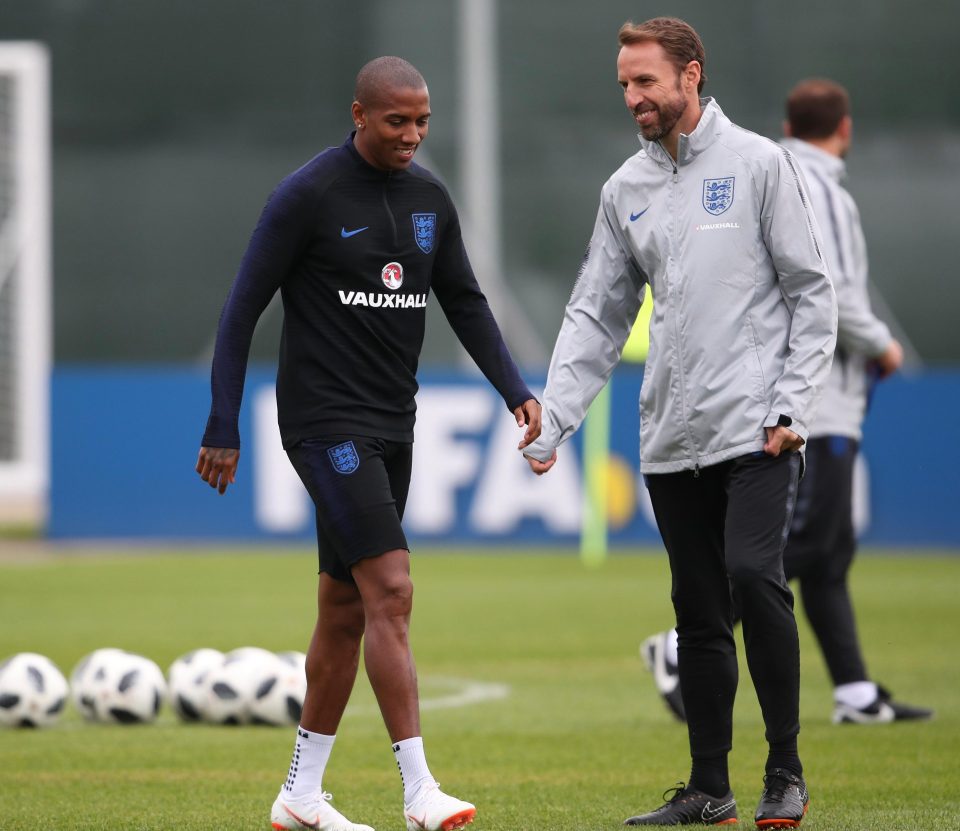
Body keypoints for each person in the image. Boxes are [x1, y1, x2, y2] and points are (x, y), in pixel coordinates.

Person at [195, 56, 541, 831]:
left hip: (396, 423)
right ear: (359, 114)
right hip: (324, 424)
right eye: (397, 121)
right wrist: (223, 420)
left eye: (422, 121)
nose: (413, 135)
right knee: (392, 587)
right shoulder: (308, 195)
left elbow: (465, 298)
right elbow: (240, 309)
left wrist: (515, 388)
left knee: (344, 607)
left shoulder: (428, 199)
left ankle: (300, 796)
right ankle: (420, 790)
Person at [523, 18, 838, 828]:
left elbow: (813, 292)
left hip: (761, 429)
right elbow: (596, 314)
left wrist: (793, 405)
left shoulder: (760, 164)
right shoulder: (624, 190)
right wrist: (553, 418)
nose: (634, 98)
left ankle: (786, 772)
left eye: (646, 82)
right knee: (698, 613)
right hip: (672, 439)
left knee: (752, 577)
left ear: (690, 76)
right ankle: (709, 789)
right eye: (625, 84)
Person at [640, 78, 933, 728]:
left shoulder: (760, 167)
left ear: (788, 121)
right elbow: (826, 285)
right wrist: (882, 343)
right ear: (846, 128)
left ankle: (854, 691)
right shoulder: (813, 184)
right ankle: (683, 642)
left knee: (829, 550)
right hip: (813, 396)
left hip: (796, 389)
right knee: (801, 544)